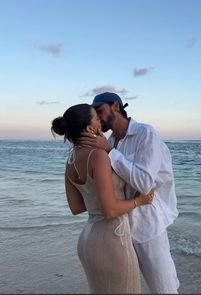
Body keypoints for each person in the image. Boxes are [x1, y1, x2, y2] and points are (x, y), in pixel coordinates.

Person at [78, 92, 180, 294]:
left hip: (148, 227)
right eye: (95, 115)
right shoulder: (111, 142)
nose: (98, 118)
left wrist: (109, 152)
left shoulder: (145, 134)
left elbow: (144, 182)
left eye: (100, 111)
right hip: (119, 231)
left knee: (164, 289)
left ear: (115, 106)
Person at [51, 103, 154, 294]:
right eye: (96, 119)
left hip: (88, 241)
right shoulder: (98, 156)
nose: (101, 121)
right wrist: (141, 200)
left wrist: (97, 199)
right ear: (90, 128)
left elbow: (76, 207)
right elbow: (110, 211)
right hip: (113, 241)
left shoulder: (70, 160)